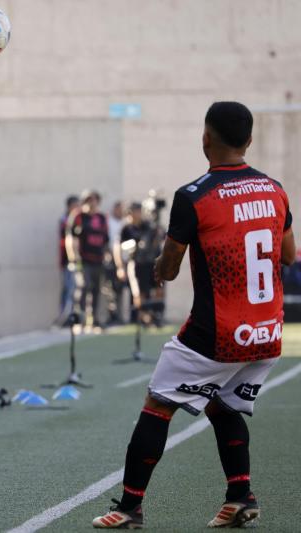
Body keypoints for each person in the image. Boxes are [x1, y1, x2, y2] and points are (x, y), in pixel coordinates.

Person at [92, 102, 296, 529]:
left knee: (158, 405)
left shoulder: (194, 195)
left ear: (205, 138)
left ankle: (129, 508)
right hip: (266, 332)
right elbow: (289, 255)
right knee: (220, 403)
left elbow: (168, 269)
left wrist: (159, 267)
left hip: (217, 331)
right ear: (250, 141)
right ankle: (241, 496)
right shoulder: (275, 189)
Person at [66, 190, 109, 331]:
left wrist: (107, 255)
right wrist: (73, 257)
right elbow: (71, 238)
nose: (92, 203)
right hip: (83, 260)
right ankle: (80, 318)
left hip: (98, 260)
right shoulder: (78, 216)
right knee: (84, 286)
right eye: (89, 200)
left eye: (95, 200)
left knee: (96, 290)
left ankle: (94, 319)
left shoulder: (102, 218)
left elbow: (106, 239)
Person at [54, 195, 79, 327]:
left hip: (77, 262)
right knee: (67, 289)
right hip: (67, 262)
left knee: (74, 290)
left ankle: (71, 315)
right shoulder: (65, 221)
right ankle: (64, 316)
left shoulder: (78, 221)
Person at [104, 200, 126, 325]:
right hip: (110, 259)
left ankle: (121, 315)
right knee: (110, 289)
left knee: (121, 289)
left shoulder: (125, 223)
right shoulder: (108, 222)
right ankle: (112, 315)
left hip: (124, 259)